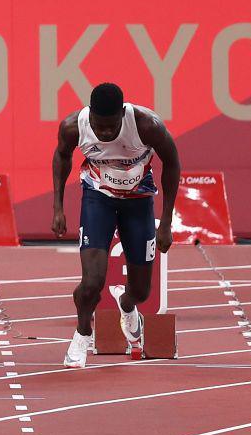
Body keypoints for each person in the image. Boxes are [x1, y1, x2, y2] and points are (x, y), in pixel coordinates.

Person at [52, 83, 180, 368]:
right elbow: (61, 156)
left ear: (123, 114)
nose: (107, 133)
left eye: (112, 127)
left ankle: (127, 305)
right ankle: (82, 333)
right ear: (90, 116)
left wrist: (167, 222)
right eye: (100, 127)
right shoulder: (74, 125)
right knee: (91, 283)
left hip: (139, 202)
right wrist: (58, 207)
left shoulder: (147, 125)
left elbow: (172, 163)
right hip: (99, 199)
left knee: (142, 291)